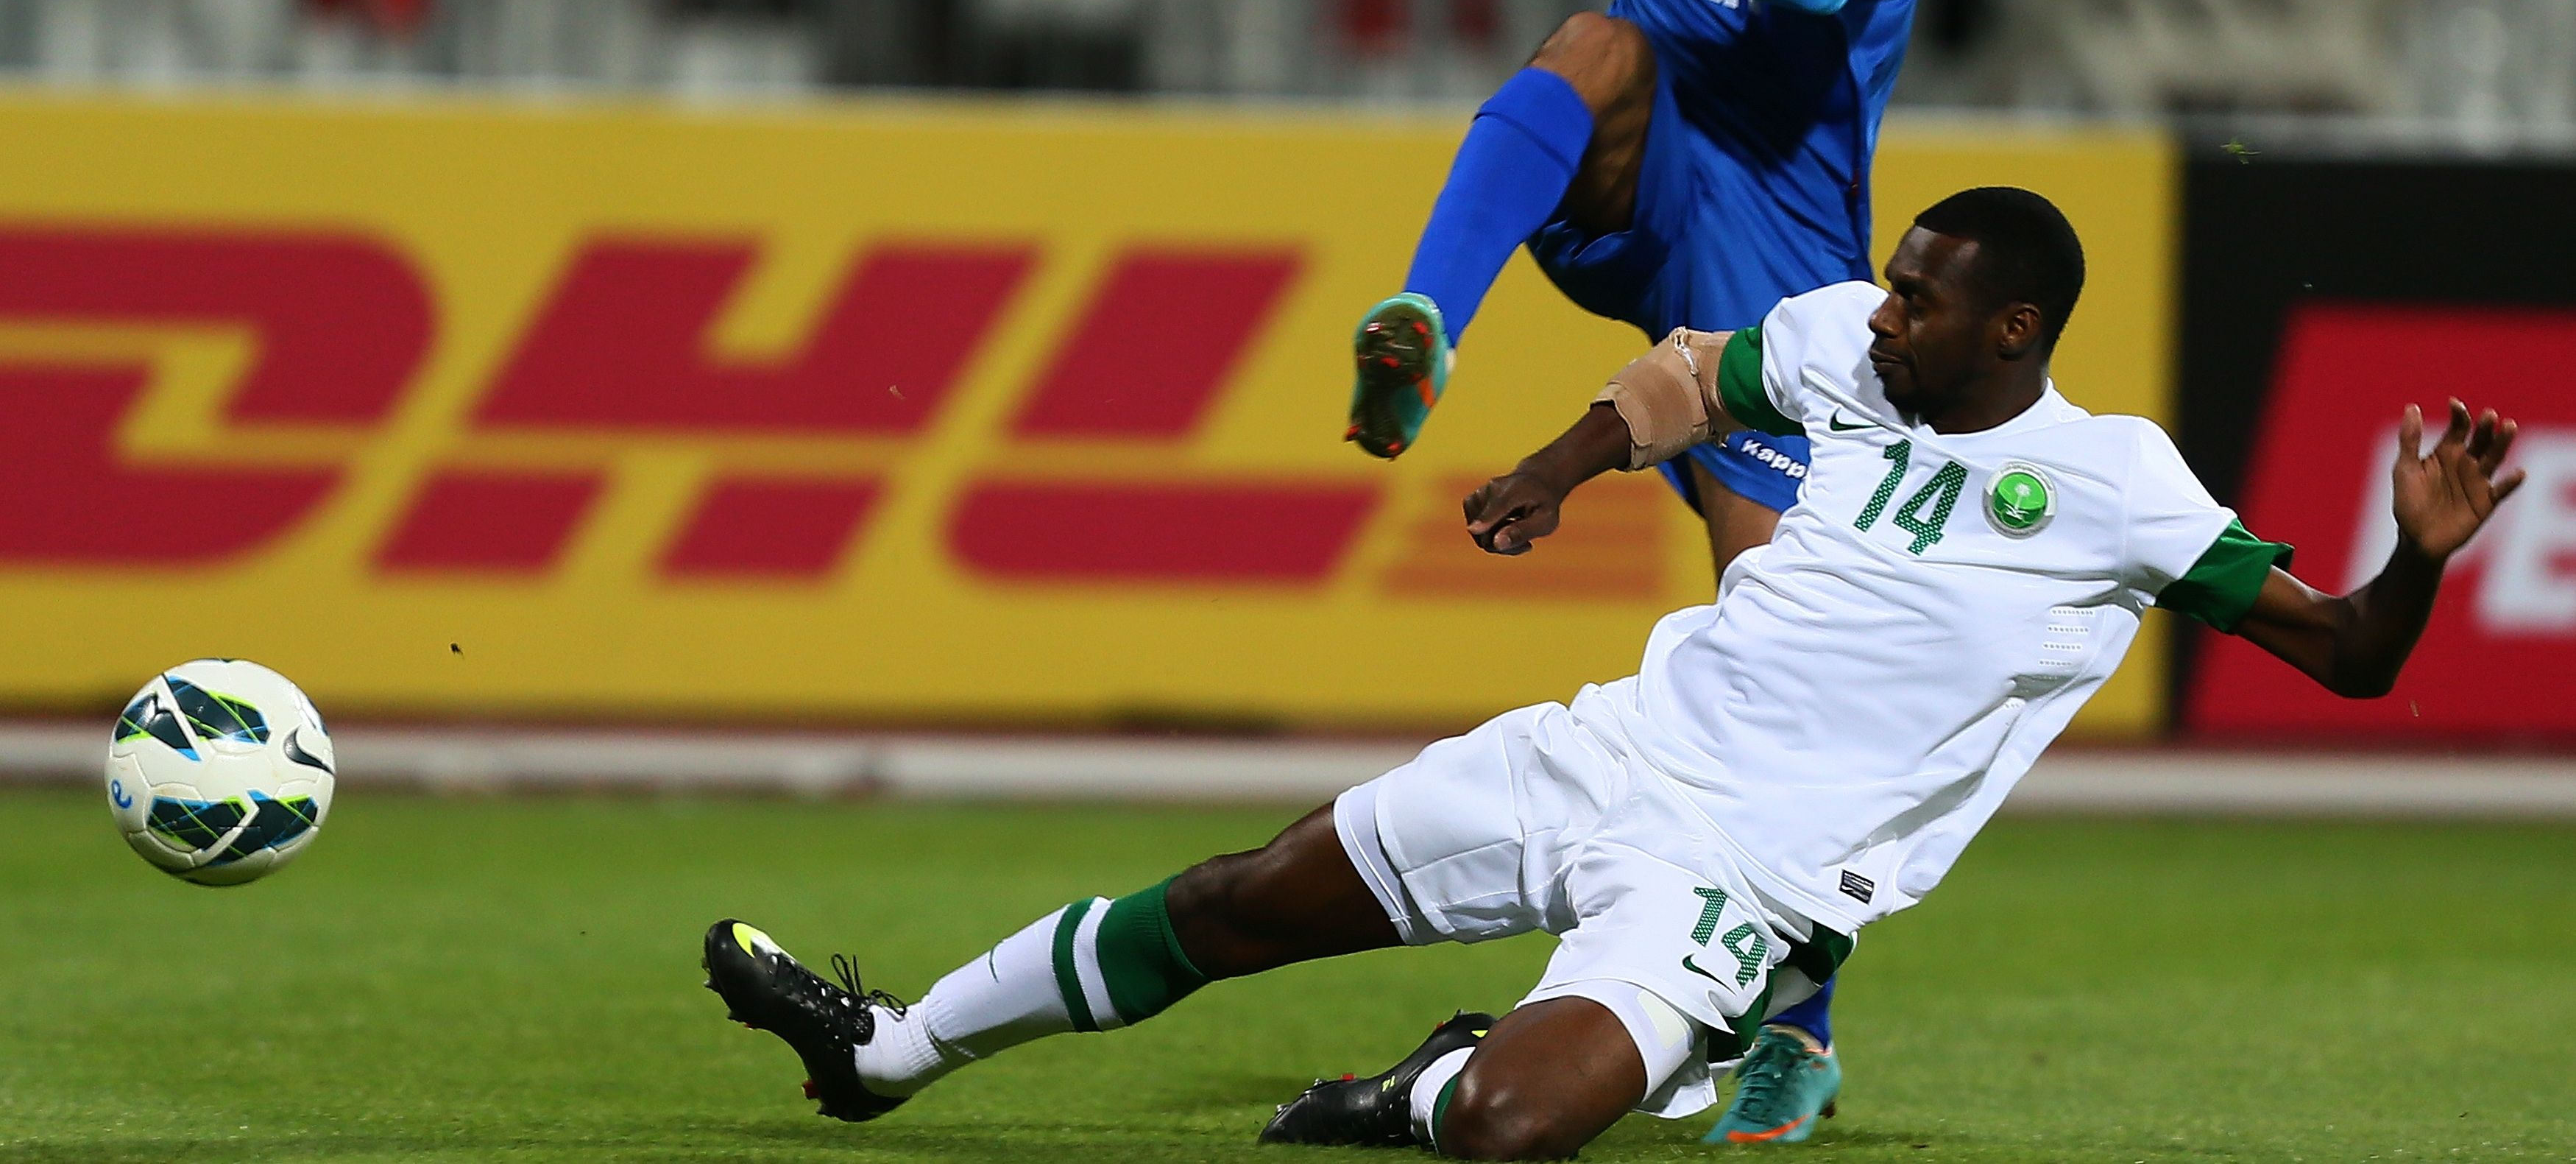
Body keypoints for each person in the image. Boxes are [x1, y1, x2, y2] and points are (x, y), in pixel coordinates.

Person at [700, 187, 2523, 1160]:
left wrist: (2418, 561)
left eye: (1918, 300)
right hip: (1612, 747)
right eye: (1886, 285)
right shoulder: (1832, 346)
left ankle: (1427, 1084)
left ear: (2014, 330)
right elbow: (1689, 380)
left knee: (1508, 1128)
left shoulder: (2123, 488)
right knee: (1240, 898)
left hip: (1742, 876)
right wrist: (1555, 475)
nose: (1879, 314)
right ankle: (887, 1052)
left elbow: (2349, 659)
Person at [1344, 0, 1956, 1128]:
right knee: (1597, 40)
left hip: (1773, 232)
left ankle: (1798, 1022)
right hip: (1649, 157)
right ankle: (1428, 314)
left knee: (1781, 651)